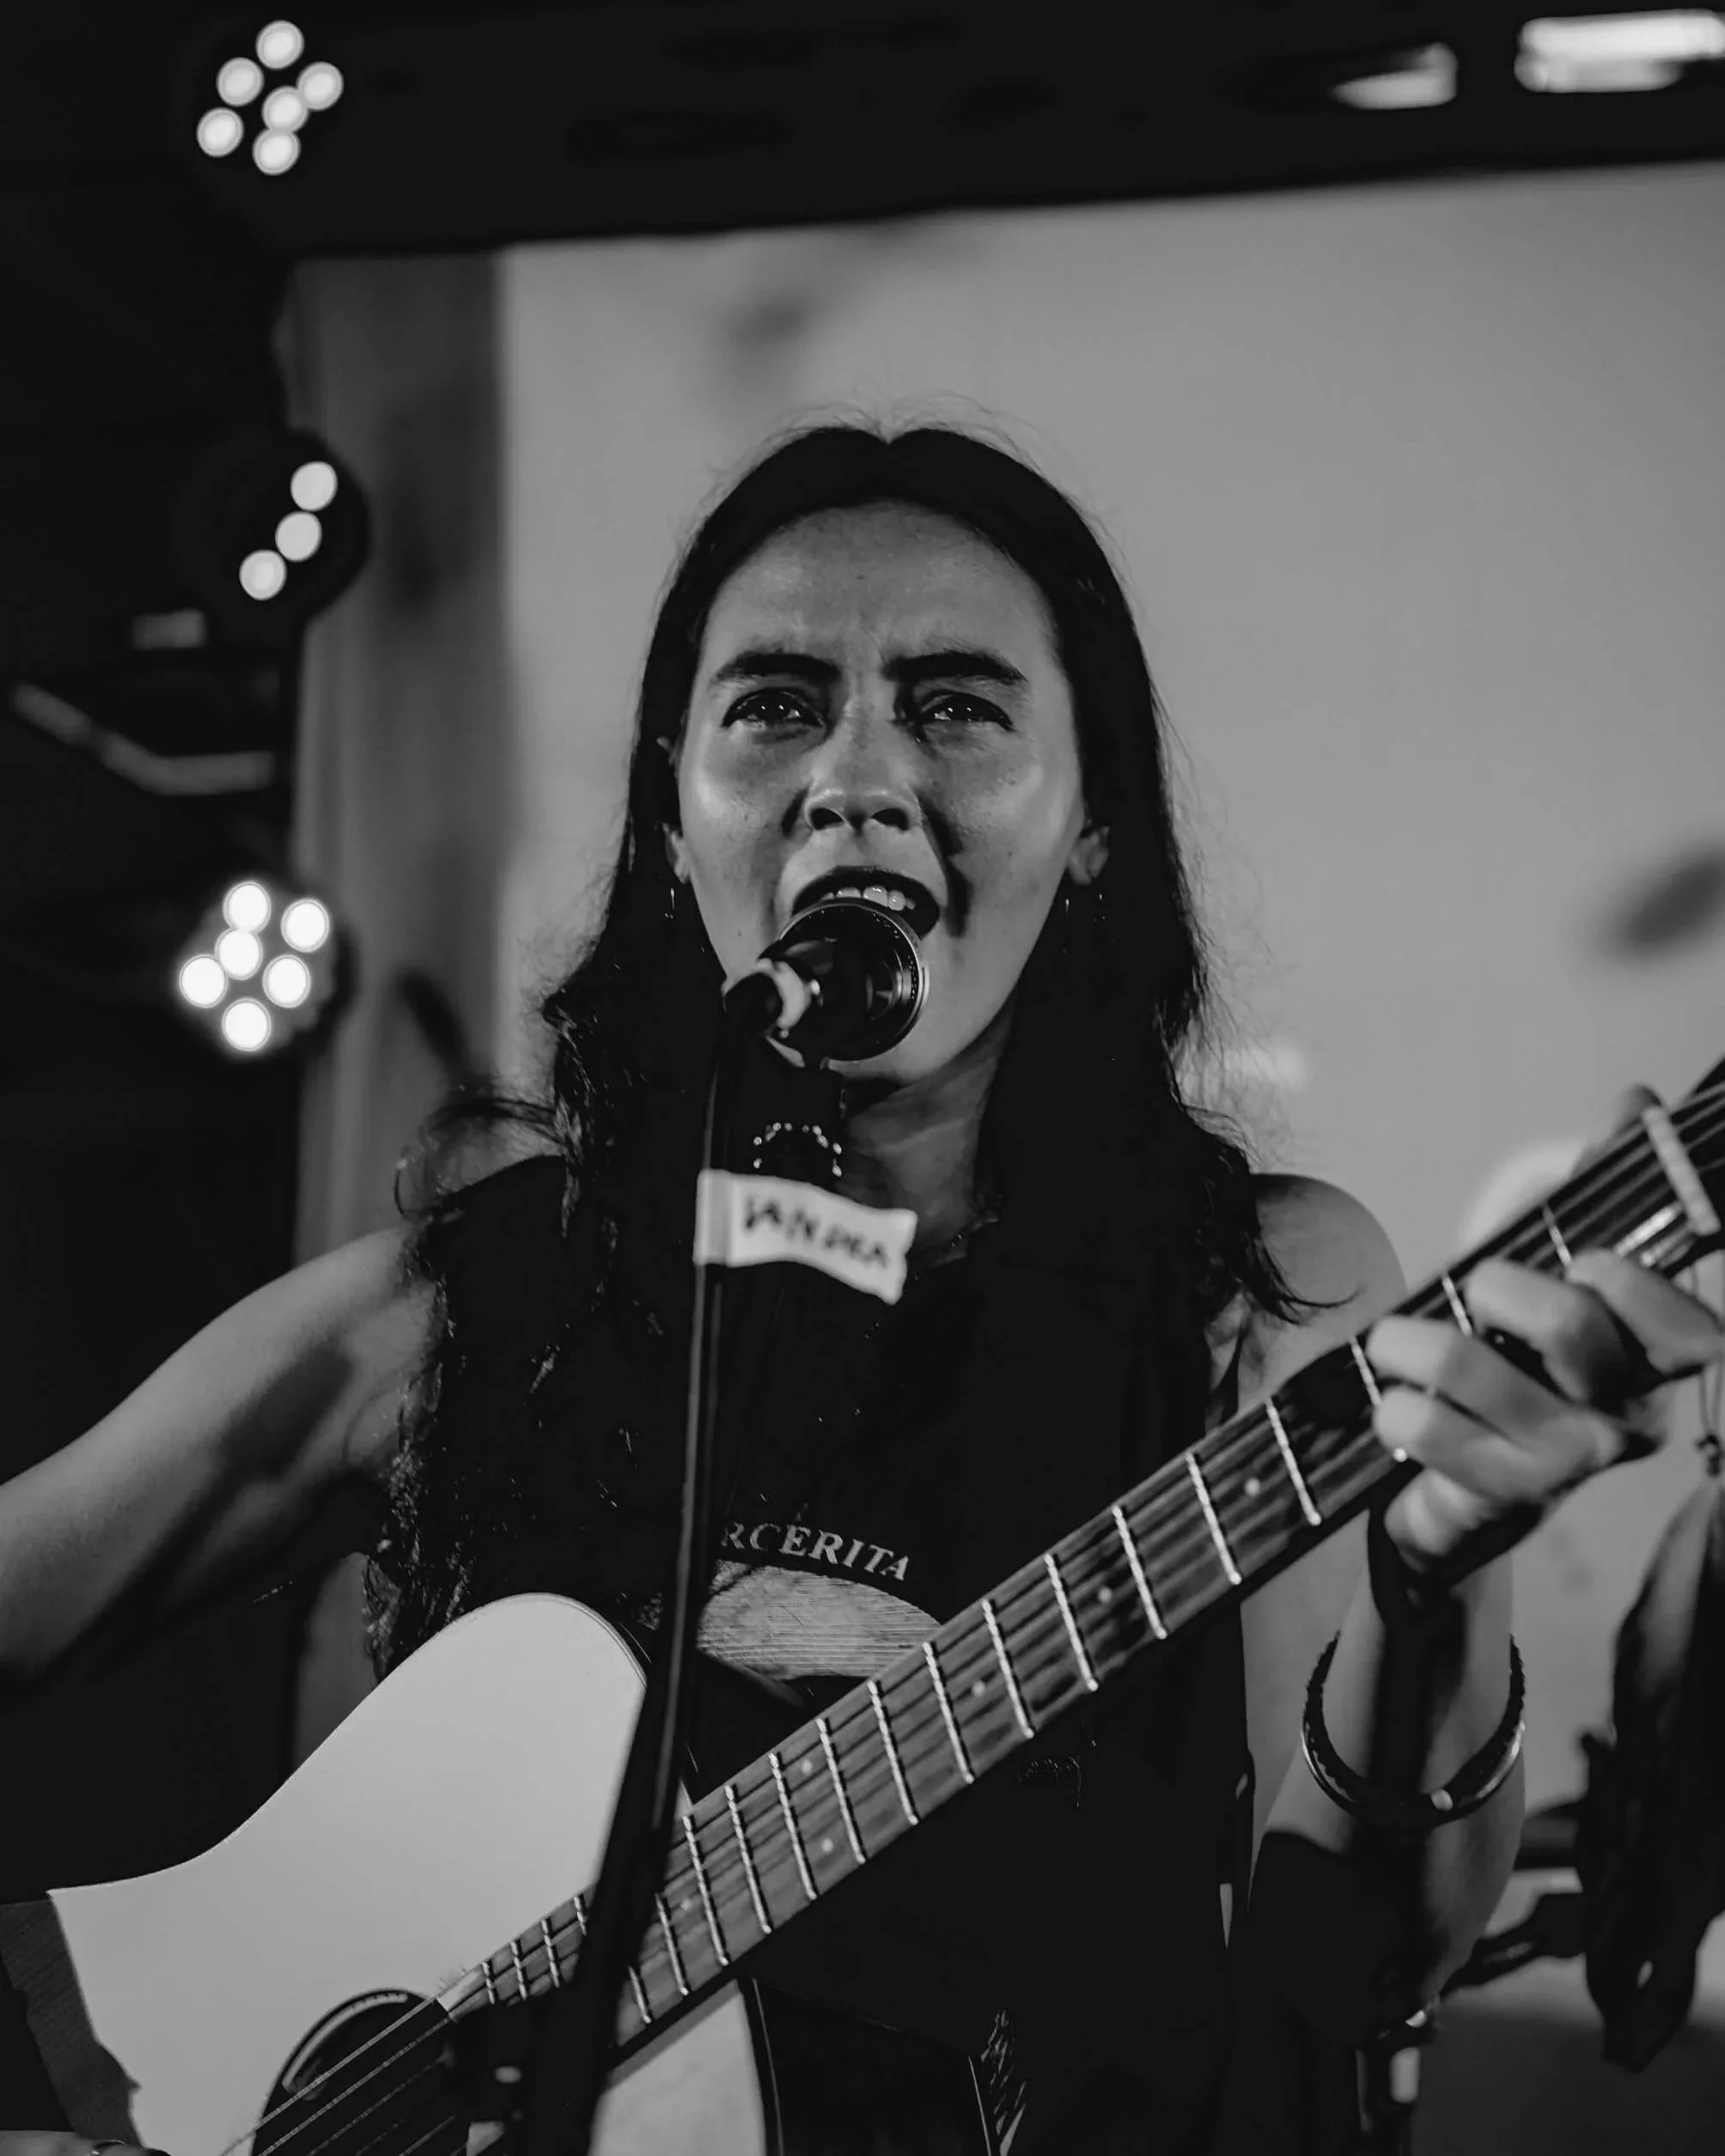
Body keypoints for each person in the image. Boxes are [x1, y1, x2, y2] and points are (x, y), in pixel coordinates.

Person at [0, 423, 1718, 2155]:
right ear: (673, 821)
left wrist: (1432, 1594)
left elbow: (1342, 1977)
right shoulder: (457, 1302)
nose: (856, 776)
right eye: (776, 704)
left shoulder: (1257, 1287)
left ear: (1093, 822)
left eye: (957, 705)